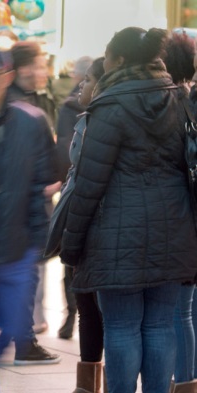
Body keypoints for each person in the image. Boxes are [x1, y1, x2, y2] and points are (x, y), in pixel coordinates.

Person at [60, 27, 197, 393]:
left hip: (115, 237)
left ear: (117, 61)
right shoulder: (181, 100)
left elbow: (88, 184)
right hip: (175, 232)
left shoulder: (109, 106)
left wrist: (71, 246)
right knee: (160, 325)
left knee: (121, 326)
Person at [0, 43, 58, 393]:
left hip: (18, 250)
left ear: (8, 77)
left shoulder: (31, 122)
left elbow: (40, 185)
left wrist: (37, 241)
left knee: (15, 325)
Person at [59, 56, 107, 392]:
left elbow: (87, 184)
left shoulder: (98, 123)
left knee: (100, 312)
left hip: (97, 230)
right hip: (93, 229)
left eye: (88, 79)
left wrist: (72, 242)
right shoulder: (83, 117)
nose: (81, 85)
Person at [163, 30, 197, 392]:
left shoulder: (174, 104)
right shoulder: (189, 99)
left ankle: (185, 380)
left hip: (180, 217)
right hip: (189, 216)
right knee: (186, 309)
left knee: (179, 310)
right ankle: (187, 379)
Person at [54, 55, 93, 340]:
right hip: (76, 194)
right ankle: (72, 312)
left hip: (79, 195)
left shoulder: (81, 111)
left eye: (88, 80)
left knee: (73, 266)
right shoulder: (72, 108)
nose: (82, 84)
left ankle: (73, 312)